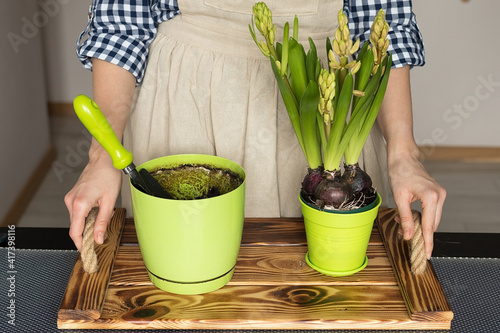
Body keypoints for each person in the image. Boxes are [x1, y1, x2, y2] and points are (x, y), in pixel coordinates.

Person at [65, 0, 446, 260]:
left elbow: (383, 27)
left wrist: (403, 153)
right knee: (184, 277)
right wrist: (102, 156)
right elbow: (121, 27)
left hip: (321, 94)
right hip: (186, 97)